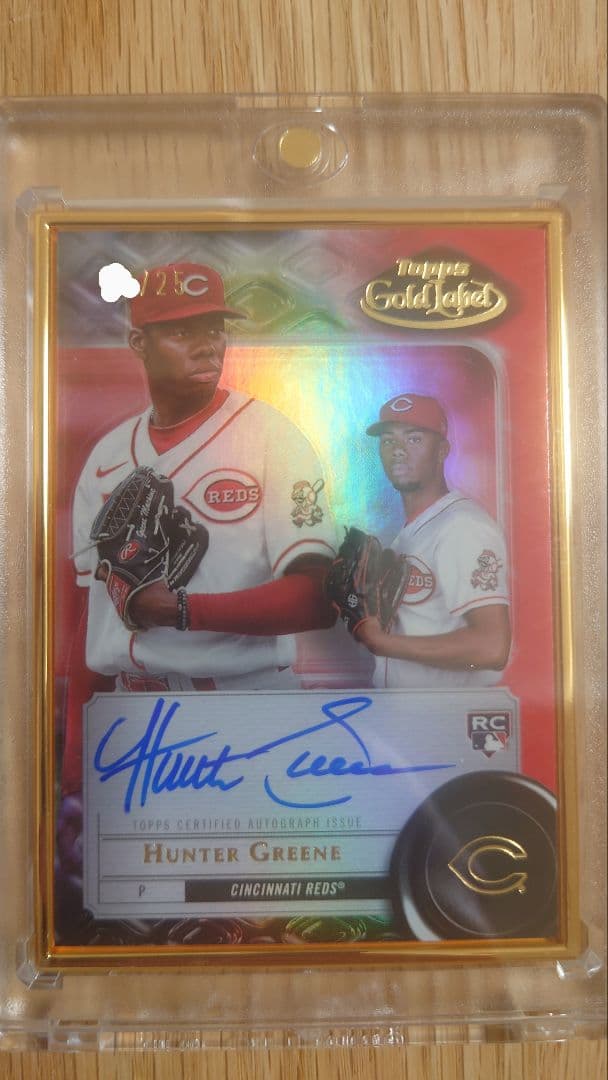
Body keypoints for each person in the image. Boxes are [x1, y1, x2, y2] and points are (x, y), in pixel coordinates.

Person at [64, 261, 337, 790]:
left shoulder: (270, 436)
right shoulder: (107, 457)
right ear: (139, 343)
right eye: (183, 331)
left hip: (244, 707)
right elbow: (89, 619)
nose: (208, 345)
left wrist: (182, 609)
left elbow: (316, 596)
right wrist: (74, 769)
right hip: (130, 716)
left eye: (215, 328)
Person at [354, 393, 511, 688]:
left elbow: (491, 646)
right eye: (388, 441)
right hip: (412, 710)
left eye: (414, 439)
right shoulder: (413, 531)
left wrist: (380, 642)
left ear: (442, 450)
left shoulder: (463, 527)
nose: (398, 451)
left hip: (448, 710)